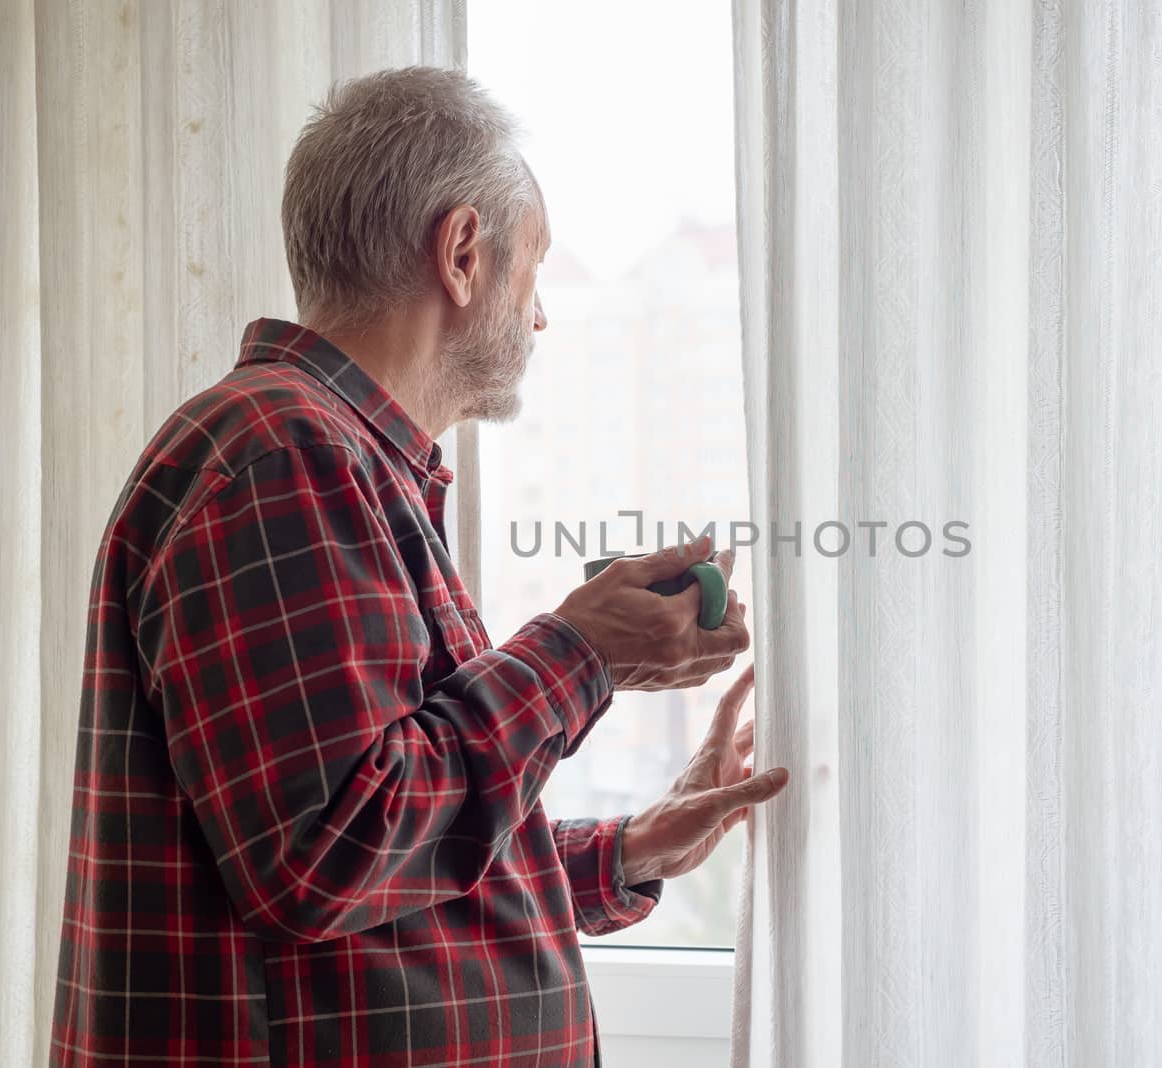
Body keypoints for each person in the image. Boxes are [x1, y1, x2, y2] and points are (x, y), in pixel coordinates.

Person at [50, 66, 789, 1068]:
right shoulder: (280, 453)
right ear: (462, 252)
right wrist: (580, 652)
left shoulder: (332, 459)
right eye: (534, 271)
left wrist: (631, 849)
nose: (539, 320)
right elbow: (329, 854)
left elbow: (389, 873)